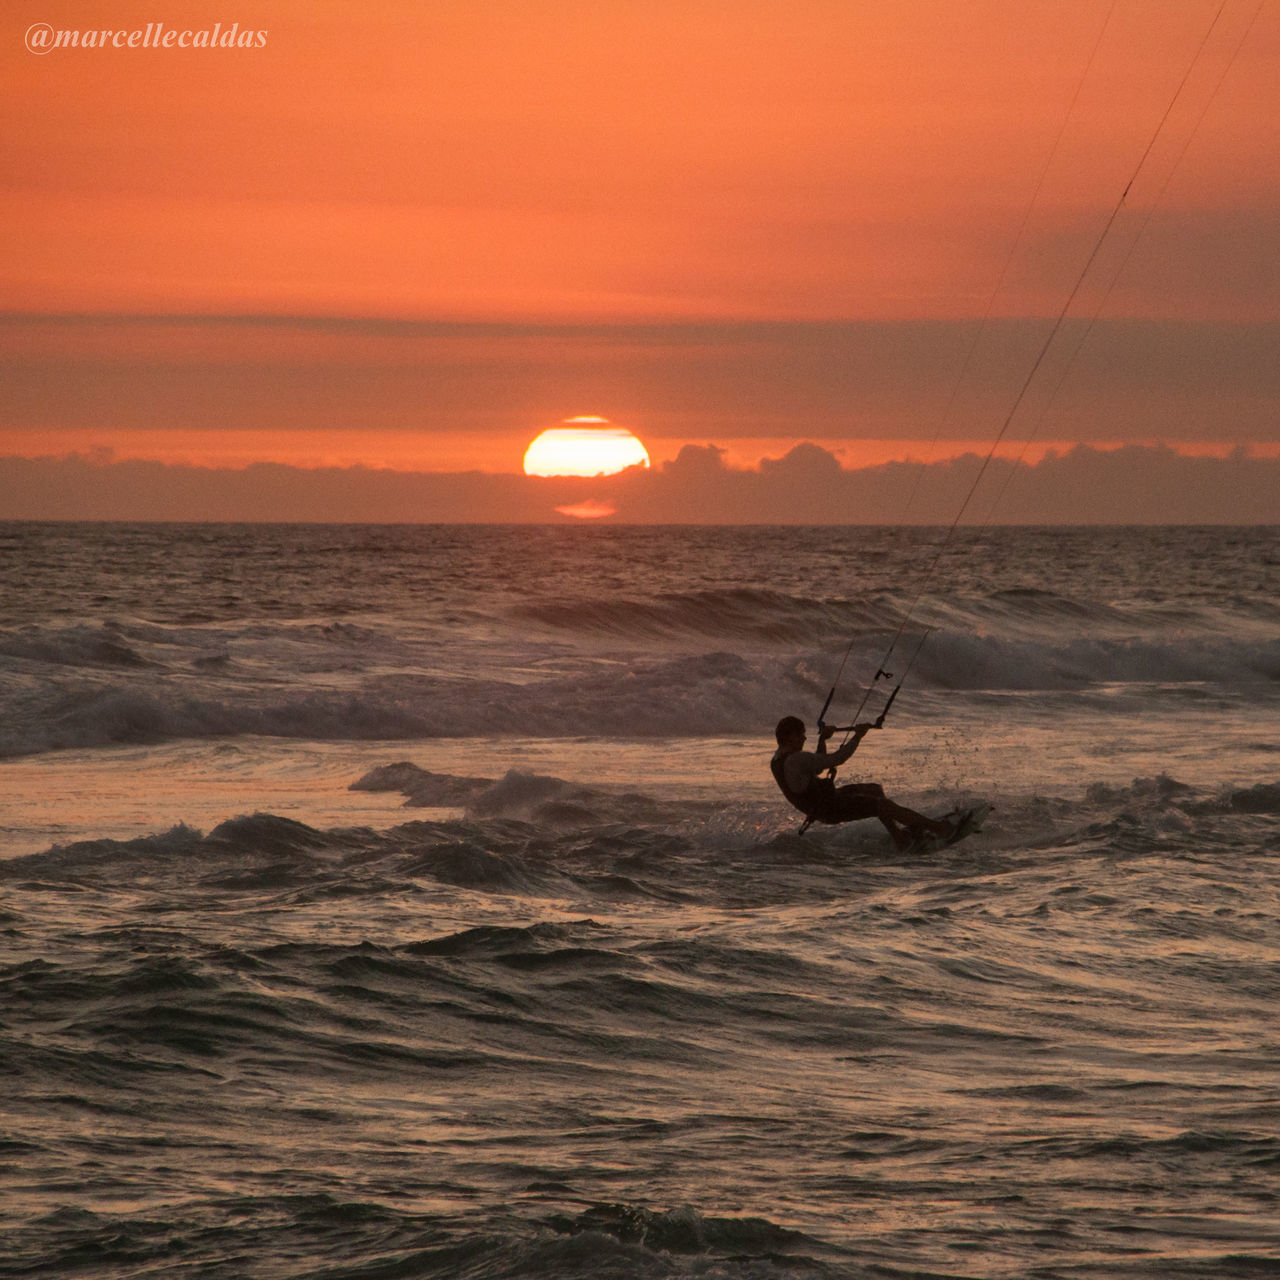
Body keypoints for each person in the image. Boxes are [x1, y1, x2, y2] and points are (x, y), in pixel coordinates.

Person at [771, 714, 953, 850]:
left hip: (822, 805)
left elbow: (817, 767)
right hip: (830, 808)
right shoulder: (795, 759)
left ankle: (899, 838)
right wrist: (857, 736)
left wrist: (823, 739)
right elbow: (837, 759)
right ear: (789, 737)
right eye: (800, 734)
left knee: (873, 790)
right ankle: (939, 829)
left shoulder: (778, 760)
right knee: (884, 805)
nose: (804, 738)